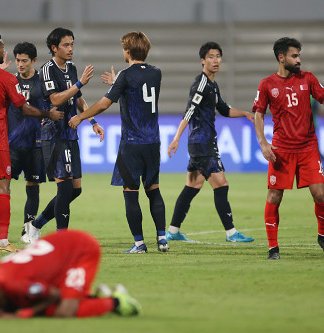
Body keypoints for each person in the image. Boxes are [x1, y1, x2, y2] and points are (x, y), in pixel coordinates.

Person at [0, 32, 63, 253]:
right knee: (3, 188)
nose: (6, 52)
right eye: (3, 48)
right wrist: (48, 114)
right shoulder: (6, 78)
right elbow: (23, 107)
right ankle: (3, 242)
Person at [69, 31, 169, 253]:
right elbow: (138, 93)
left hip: (132, 143)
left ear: (128, 50)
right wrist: (118, 84)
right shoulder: (156, 73)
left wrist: (80, 116)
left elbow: (104, 104)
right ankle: (162, 239)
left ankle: (139, 243)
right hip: (153, 142)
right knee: (153, 189)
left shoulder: (126, 75)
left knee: (130, 191)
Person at [165, 41, 255, 244]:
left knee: (192, 185)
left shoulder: (212, 85)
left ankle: (172, 230)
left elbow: (223, 109)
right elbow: (189, 110)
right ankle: (231, 233)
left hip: (200, 142)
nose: (216, 60)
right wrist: (176, 138)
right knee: (221, 185)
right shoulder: (202, 83)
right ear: (202, 60)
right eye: (211, 57)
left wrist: (245, 114)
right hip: (202, 143)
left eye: (218, 56)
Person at [26, 27, 104, 243]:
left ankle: (37, 224)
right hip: (53, 134)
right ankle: (62, 241)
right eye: (66, 45)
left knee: (75, 190)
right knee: (65, 186)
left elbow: (78, 98)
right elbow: (56, 100)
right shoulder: (47, 69)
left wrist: (92, 120)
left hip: (70, 133)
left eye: (72, 44)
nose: (70, 49)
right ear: (54, 48)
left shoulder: (71, 67)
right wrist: (79, 83)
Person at [253, 37, 324, 260]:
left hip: (308, 147)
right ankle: (273, 247)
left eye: (299, 55)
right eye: (294, 56)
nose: (299, 60)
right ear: (281, 58)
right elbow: (258, 113)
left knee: (320, 193)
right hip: (281, 150)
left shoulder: (309, 79)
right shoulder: (267, 84)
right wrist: (263, 143)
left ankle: (322, 235)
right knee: (274, 196)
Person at [0, 230, 141, 318]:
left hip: (79, 249)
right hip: (54, 252)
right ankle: (91, 297)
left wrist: (26, 314)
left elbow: (54, 295)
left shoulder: (16, 285)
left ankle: (118, 301)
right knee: (47, 309)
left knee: (64, 311)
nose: (3, 315)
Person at [0, 42, 48, 244]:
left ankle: (28, 229)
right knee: (3, 186)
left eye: (24, 60)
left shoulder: (43, 81)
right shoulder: (9, 80)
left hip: (35, 143)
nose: (20, 64)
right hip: (11, 143)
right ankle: (0, 228)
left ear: (34, 61)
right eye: (18, 60)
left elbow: (53, 101)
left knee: (33, 185)